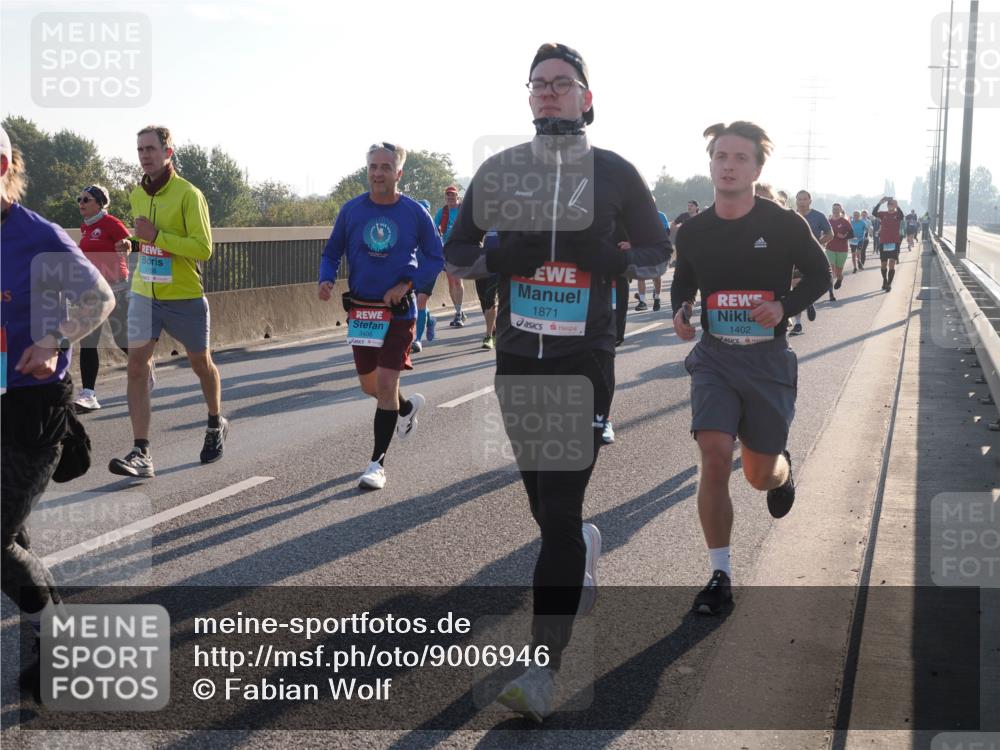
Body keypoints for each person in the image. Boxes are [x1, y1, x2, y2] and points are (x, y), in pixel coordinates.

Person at [444, 43, 670, 722]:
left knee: (561, 516)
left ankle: (542, 671)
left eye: (561, 84)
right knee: (545, 506)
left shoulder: (615, 173)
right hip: (516, 356)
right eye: (538, 84)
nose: (548, 92)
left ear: (586, 98)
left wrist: (607, 258)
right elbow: (456, 250)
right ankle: (583, 552)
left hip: (585, 359)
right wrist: (495, 258)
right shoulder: (501, 170)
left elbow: (659, 250)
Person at [671, 121, 829, 616]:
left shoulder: (784, 224)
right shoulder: (694, 230)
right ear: (711, 164)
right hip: (716, 357)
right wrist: (681, 310)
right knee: (714, 455)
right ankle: (720, 574)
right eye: (721, 156)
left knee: (759, 476)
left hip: (766, 361)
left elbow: (821, 274)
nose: (729, 165)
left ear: (757, 168)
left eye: (741, 158)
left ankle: (781, 473)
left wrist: (784, 306)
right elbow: (685, 280)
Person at [1, 127, 115, 699]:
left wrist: (51, 341)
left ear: (2, 166)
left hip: (32, 406)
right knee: (11, 532)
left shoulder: (35, 236)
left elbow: (99, 297)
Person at [319, 142, 444, 490]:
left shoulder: (414, 213)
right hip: (362, 311)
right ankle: (404, 409)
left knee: (386, 384)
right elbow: (331, 252)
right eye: (373, 166)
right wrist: (325, 278)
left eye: (385, 167)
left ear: (398, 173)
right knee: (370, 386)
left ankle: (377, 464)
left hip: (399, 314)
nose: (378, 173)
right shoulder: (352, 210)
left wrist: (406, 285)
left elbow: (435, 257)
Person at [109, 125, 227, 478]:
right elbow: (145, 237)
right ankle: (141, 451)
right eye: (140, 149)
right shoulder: (136, 194)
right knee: (136, 366)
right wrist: (132, 242)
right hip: (146, 292)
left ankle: (214, 421)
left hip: (184, 295)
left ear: (168, 152)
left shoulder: (189, 195)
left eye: (151, 149)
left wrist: (157, 236)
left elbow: (203, 248)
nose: (145, 155)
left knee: (200, 364)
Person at [73, 184, 132, 412]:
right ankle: (88, 394)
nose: (81, 203)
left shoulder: (110, 223)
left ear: (99, 202)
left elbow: (129, 243)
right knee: (88, 341)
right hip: (92, 292)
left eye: (86, 199)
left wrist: (126, 245)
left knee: (121, 339)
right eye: (79, 199)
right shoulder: (86, 228)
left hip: (116, 288)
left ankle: (144, 364)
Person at [434, 186, 467, 327]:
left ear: (457, 197)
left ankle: (459, 314)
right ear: (445, 198)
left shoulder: (463, 210)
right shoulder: (443, 212)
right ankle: (458, 311)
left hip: (460, 249)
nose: (450, 198)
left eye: (453, 196)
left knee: (457, 281)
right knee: (451, 282)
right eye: (448, 196)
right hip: (447, 250)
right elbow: (434, 230)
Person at [795, 189, 835, 301]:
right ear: (796, 201)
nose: (802, 202)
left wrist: (817, 243)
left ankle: (827, 293)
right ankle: (806, 302)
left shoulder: (818, 216)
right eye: (799, 199)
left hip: (813, 253)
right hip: (795, 255)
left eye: (804, 199)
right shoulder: (791, 215)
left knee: (817, 279)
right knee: (796, 282)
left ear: (810, 201)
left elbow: (830, 234)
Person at [412, 198, 437, 353]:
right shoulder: (410, 228)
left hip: (429, 270)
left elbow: (438, 253)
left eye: (424, 210)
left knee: (421, 301)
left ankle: (417, 340)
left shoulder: (434, 230)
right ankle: (430, 321)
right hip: (414, 270)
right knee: (417, 304)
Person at [634, 210, 671, 311]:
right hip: (642, 249)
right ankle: (642, 302)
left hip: (656, 249)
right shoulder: (638, 215)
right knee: (640, 275)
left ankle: (657, 298)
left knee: (656, 276)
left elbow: (667, 232)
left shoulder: (660, 215)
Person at [872, 196, 904, 292]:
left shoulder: (897, 214)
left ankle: (889, 284)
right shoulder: (883, 214)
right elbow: (874, 213)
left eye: (892, 204)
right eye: (889, 204)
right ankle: (885, 280)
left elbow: (902, 216)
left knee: (892, 264)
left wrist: (897, 205)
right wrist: (880, 202)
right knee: (883, 264)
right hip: (884, 242)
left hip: (894, 242)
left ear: (895, 205)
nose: (891, 205)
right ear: (887, 205)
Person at [476, 229, 500, 349]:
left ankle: (488, 336)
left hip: (497, 264)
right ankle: (493, 328)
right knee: (483, 299)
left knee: (490, 298)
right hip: (480, 264)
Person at [826, 203, 854, 293]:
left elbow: (852, 234)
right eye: (834, 209)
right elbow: (823, 232)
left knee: (838, 272)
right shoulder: (828, 221)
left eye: (837, 209)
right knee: (831, 269)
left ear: (841, 210)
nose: (835, 210)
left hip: (842, 249)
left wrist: (843, 237)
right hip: (830, 248)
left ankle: (840, 279)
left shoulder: (845, 221)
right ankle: (830, 292)